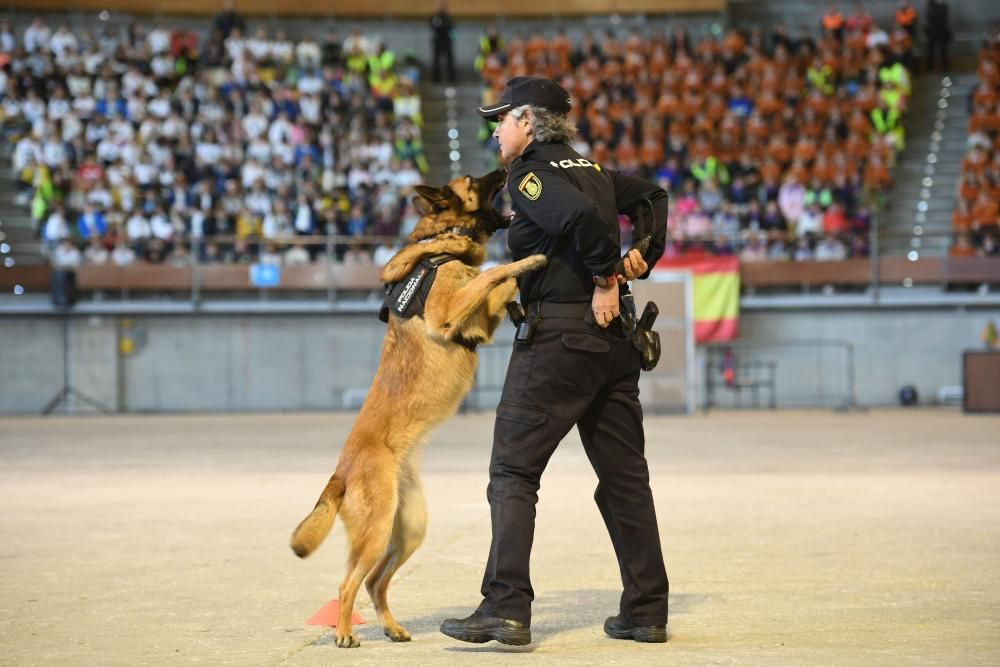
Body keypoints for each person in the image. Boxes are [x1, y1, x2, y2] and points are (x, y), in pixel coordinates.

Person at [439, 76, 669, 646]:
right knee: (624, 480)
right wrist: (645, 249)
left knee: (513, 471)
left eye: (502, 119)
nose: (496, 131)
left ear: (529, 122)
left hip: (561, 339)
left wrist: (605, 276)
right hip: (612, 348)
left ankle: (506, 608)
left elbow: (584, 225)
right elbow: (654, 198)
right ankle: (645, 611)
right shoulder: (594, 172)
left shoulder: (529, 174)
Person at [429, 0, 455, 83]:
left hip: (447, 41)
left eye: (443, 5)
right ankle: (436, 80)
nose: (441, 6)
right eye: (439, 5)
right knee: (436, 61)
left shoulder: (448, 17)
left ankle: (451, 80)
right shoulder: (435, 17)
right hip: (437, 41)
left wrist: (441, 27)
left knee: (449, 61)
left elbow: (451, 28)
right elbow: (433, 27)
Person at [925, 0, 952, 72]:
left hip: (942, 31)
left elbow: (943, 17)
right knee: (930, 51)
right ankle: (930, 68)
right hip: (932, 31)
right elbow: (931, 17)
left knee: (943, 51)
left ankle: (945, 68)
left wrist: (939, 6)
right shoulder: (930, 6)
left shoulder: (944, 6)